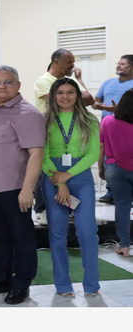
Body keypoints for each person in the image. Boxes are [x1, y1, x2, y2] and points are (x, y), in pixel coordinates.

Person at [0, 66, 46, 305]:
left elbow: (36, 154)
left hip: (13, 188)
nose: (1, 86)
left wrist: (27, 190)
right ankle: (0, 280)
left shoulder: (28, 113)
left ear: (19, 85)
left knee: (22, 238)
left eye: (8, 82)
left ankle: (21, 284)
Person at [42, 78, 100, 299]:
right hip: (53, 176)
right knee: (57, 234)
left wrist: (68, 175)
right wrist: (60, 182)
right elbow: (42, 155)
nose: (65, 97)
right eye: (60, 93)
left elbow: (93, 154)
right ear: (52, 95)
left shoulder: (90, 120)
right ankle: (63, 285)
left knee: (87, 232)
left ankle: (92, 283)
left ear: (77, 95)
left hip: (80, 176)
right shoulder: (44, 120)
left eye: (70, 92)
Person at [33, 49, 95, 224]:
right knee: (45, 171)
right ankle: (41, 209)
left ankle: (69, 207)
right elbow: (58, 102)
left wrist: (80, 80)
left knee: (70, 175)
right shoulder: (43, 81)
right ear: (56, 61)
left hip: (72, 130)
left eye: (70, 92)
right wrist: (76, 94)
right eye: (69, 62)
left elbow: (89, 99)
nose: (72, 66)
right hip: (50, 130)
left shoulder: (70, 80)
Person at [93, 55, 133, 204]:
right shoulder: (108, 83)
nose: (119, 66)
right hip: (109, 129)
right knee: (108, 157)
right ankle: (111, 190)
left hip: (128, 128)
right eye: (118, 63)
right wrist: (97, 105)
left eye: (123, 64)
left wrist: (119, 109)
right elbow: (96, 100)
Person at [99, 88, 133, 257]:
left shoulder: (107, 121)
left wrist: (100, 167)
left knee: (122, 206)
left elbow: (101, 146)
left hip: (115, 168)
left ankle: (124, 246)